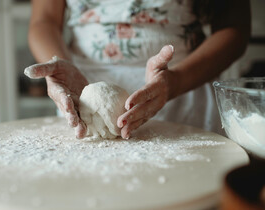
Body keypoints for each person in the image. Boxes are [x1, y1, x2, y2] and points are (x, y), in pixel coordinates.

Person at [25, 0, 250, 139]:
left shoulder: (179, 81)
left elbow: (235, 28)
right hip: (80, 94)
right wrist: (60, 67)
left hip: (182, 86)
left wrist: (177, 80)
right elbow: (44, 21)